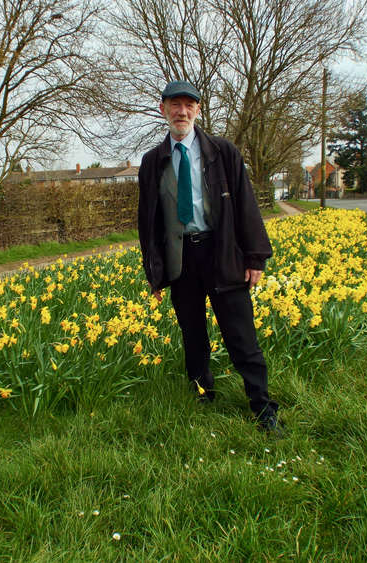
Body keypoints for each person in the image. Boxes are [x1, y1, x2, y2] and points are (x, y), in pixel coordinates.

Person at [137, 80, 282, 432]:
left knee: (241, 335)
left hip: (222, 255)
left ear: (198, 110)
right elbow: (148, 221)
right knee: (193, 334)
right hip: (181, 259)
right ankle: (203, 393)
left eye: (188, 105)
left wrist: (255, 257)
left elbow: (246, 206)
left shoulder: (223, 152)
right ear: (163, 110)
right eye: (174, 105)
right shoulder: (152, 161)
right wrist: (155, 273)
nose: (181, 111)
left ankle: (263, 408)